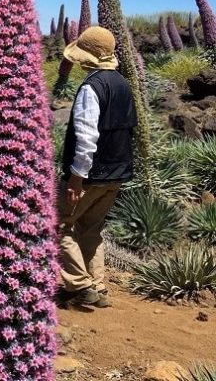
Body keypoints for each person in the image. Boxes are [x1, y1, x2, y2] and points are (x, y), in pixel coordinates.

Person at [59, 26, 137, 308]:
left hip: (91, 175)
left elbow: (87, 136)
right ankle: (98, 284)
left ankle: (80, 286)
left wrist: (76, 178)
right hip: (117, 174)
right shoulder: (122, 84)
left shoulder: (91, 88)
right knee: (92, 228)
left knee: (58, 224)